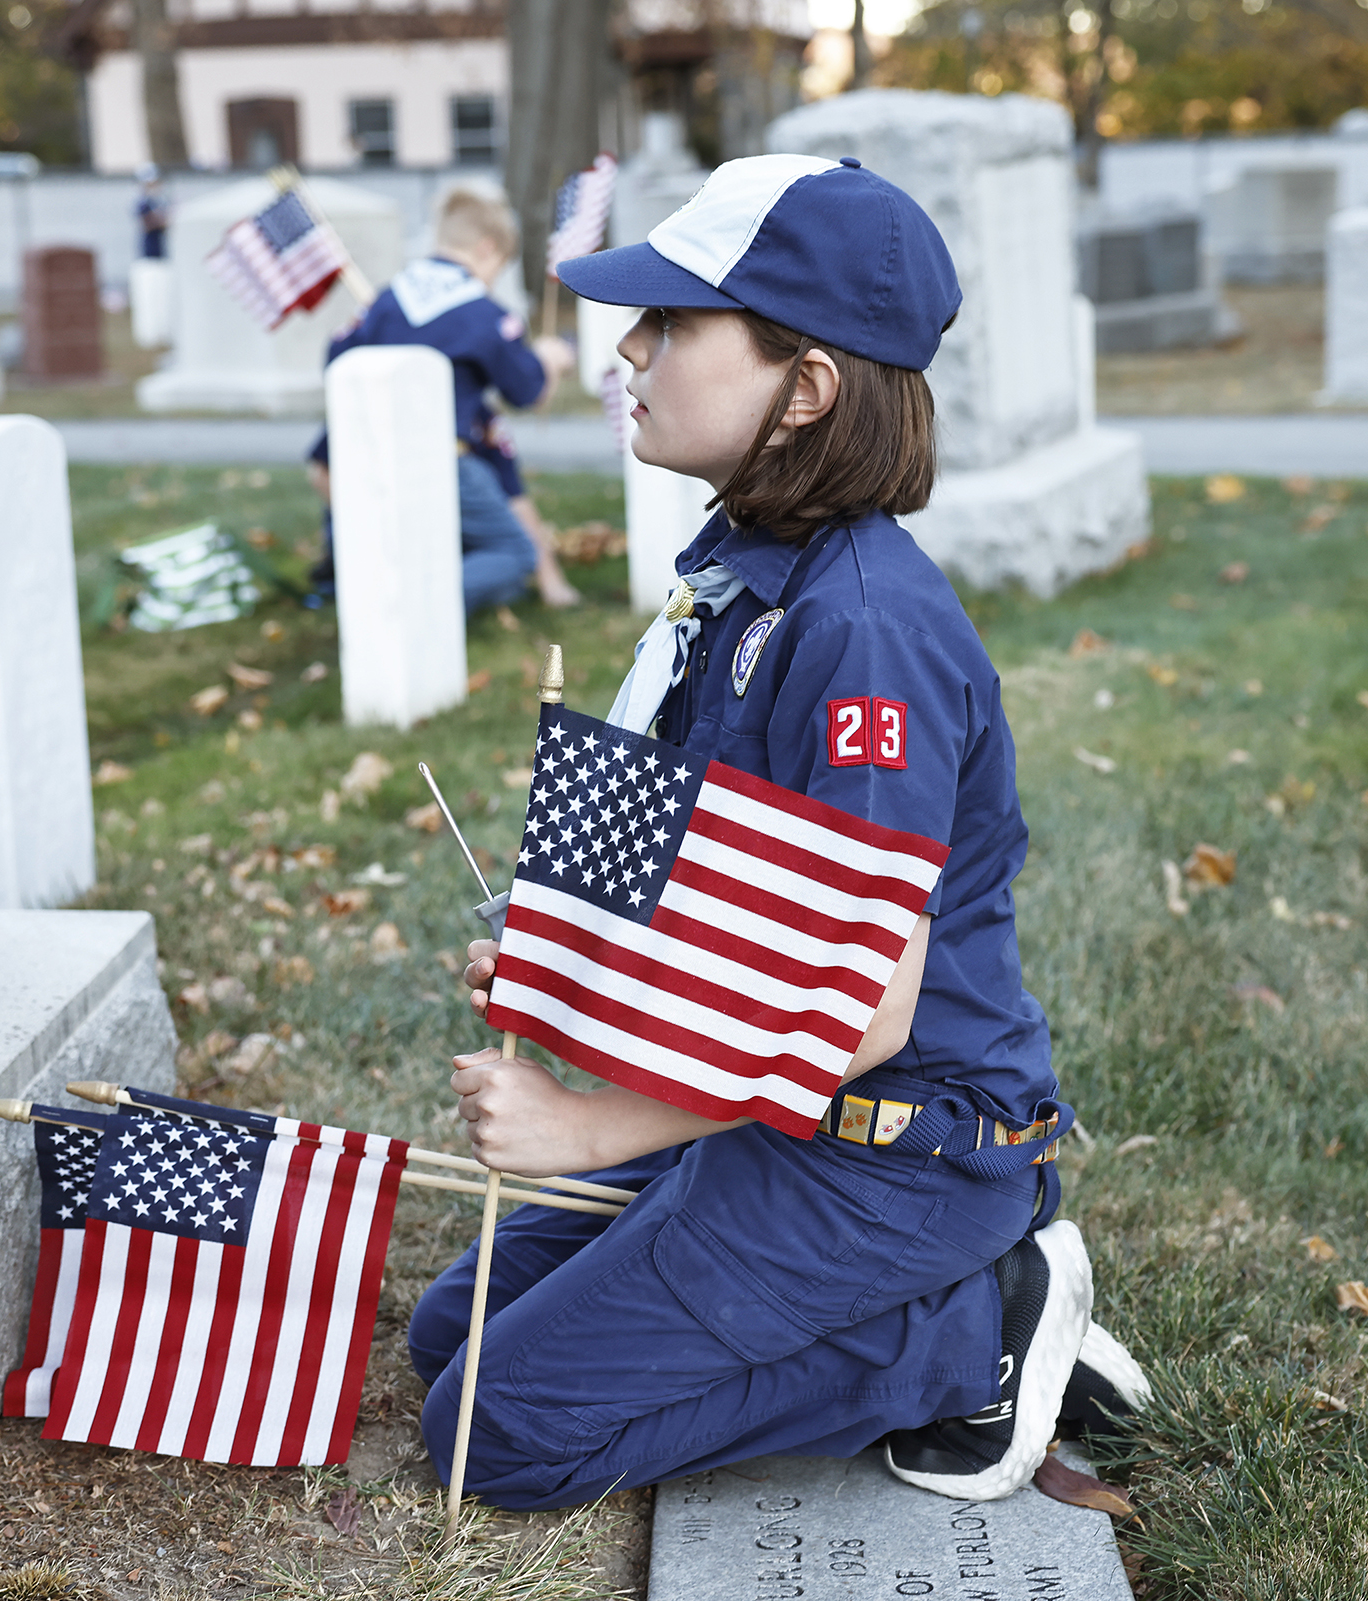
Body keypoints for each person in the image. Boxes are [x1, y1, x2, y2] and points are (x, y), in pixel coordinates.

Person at [408, 154, 1150, 1512]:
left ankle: (972, 1327)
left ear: (804, 388)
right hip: (768, 1104)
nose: (630, 349)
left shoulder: (863, 632)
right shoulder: (746, 572)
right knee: (446, 1335)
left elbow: (860, 1009)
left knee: (492, 1432)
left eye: (673, 322)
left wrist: (590, 1126)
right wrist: (561, 959)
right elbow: (717, 888)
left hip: (887, 1145)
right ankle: (909, 1302)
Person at [306, 187, 583, 613]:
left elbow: (337, 362)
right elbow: (526, 391)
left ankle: (367, 584)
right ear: (486, 249)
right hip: (440, 461)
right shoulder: (483, 314)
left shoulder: (383, 301)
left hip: (361, 458)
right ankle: (410, 603)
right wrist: (550, 359)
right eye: (499, 267)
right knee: (514, 555)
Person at [134, 163, 169, 260]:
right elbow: (148, 223)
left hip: (161, 247)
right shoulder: (143, 202)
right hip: (150, 250)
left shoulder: (158, 200)